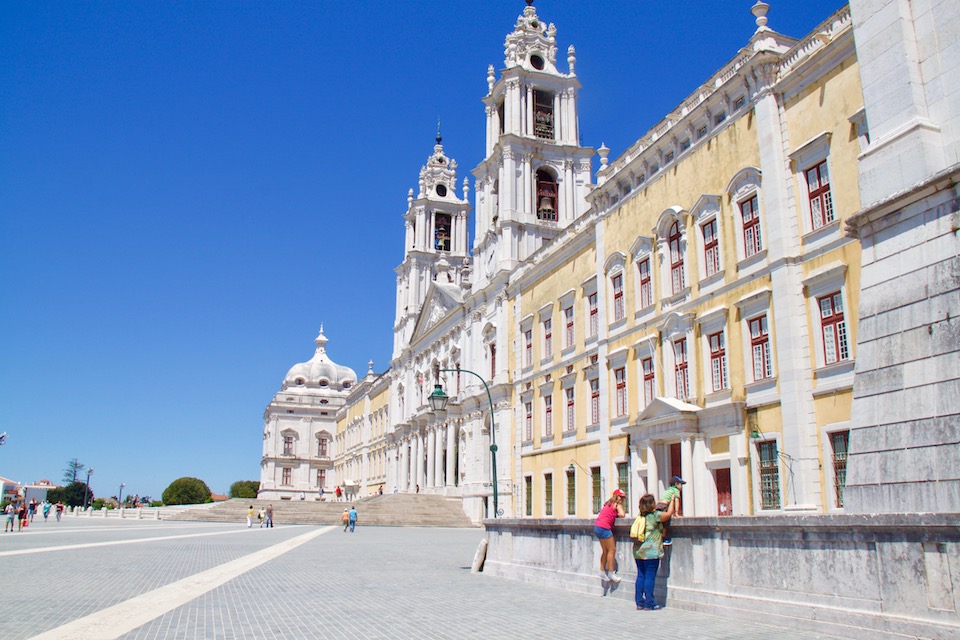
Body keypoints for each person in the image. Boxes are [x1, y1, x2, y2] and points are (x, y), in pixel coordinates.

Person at [630, 493, 677, 610]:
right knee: (650, 577)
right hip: (651, 552)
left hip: (638, 551)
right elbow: (669, 514)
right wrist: (672, 500)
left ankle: (639, 602)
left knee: (641, 575)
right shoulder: (655, 516)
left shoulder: (640, 517)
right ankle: (649, 602)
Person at [593, 488, 627, 583]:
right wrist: (616, 515)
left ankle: (602, 571)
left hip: (597, 527)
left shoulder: (607, 504)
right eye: (621, 497)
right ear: (618, 497)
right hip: (605, 528)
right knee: (612, 550)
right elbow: (622, 514)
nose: (622, 500)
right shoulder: (617, 504)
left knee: (605, 551)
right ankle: (611, 573)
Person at [657, 476, 685, 545]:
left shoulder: (668, 489)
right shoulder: (675, 490)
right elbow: (676, 501)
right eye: (680, 484)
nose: (681, 486)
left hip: (659, 505)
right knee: (666, 522)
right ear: (676, 484)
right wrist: (676, 512)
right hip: (664, 506)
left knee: (660, 522)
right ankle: (665, 538)